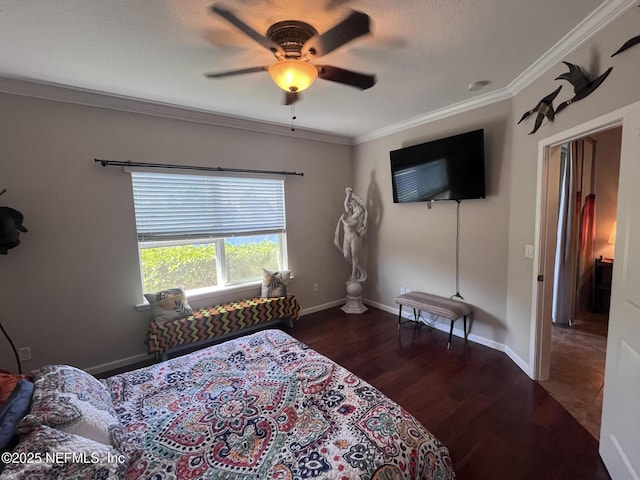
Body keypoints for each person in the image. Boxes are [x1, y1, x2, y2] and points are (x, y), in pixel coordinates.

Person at [334, 188, 368, 282]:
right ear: (354, 209)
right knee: (346, 255)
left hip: (353, 237)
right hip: (346, 237)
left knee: (354, 256)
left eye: (360, 214)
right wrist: (348, 194)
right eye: (358, 212)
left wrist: (342, 220)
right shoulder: (349, 213)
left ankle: (353, 274)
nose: (358, 214)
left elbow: (347, 224)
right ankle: (359, 270)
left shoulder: (356, 221)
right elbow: (345, 204)